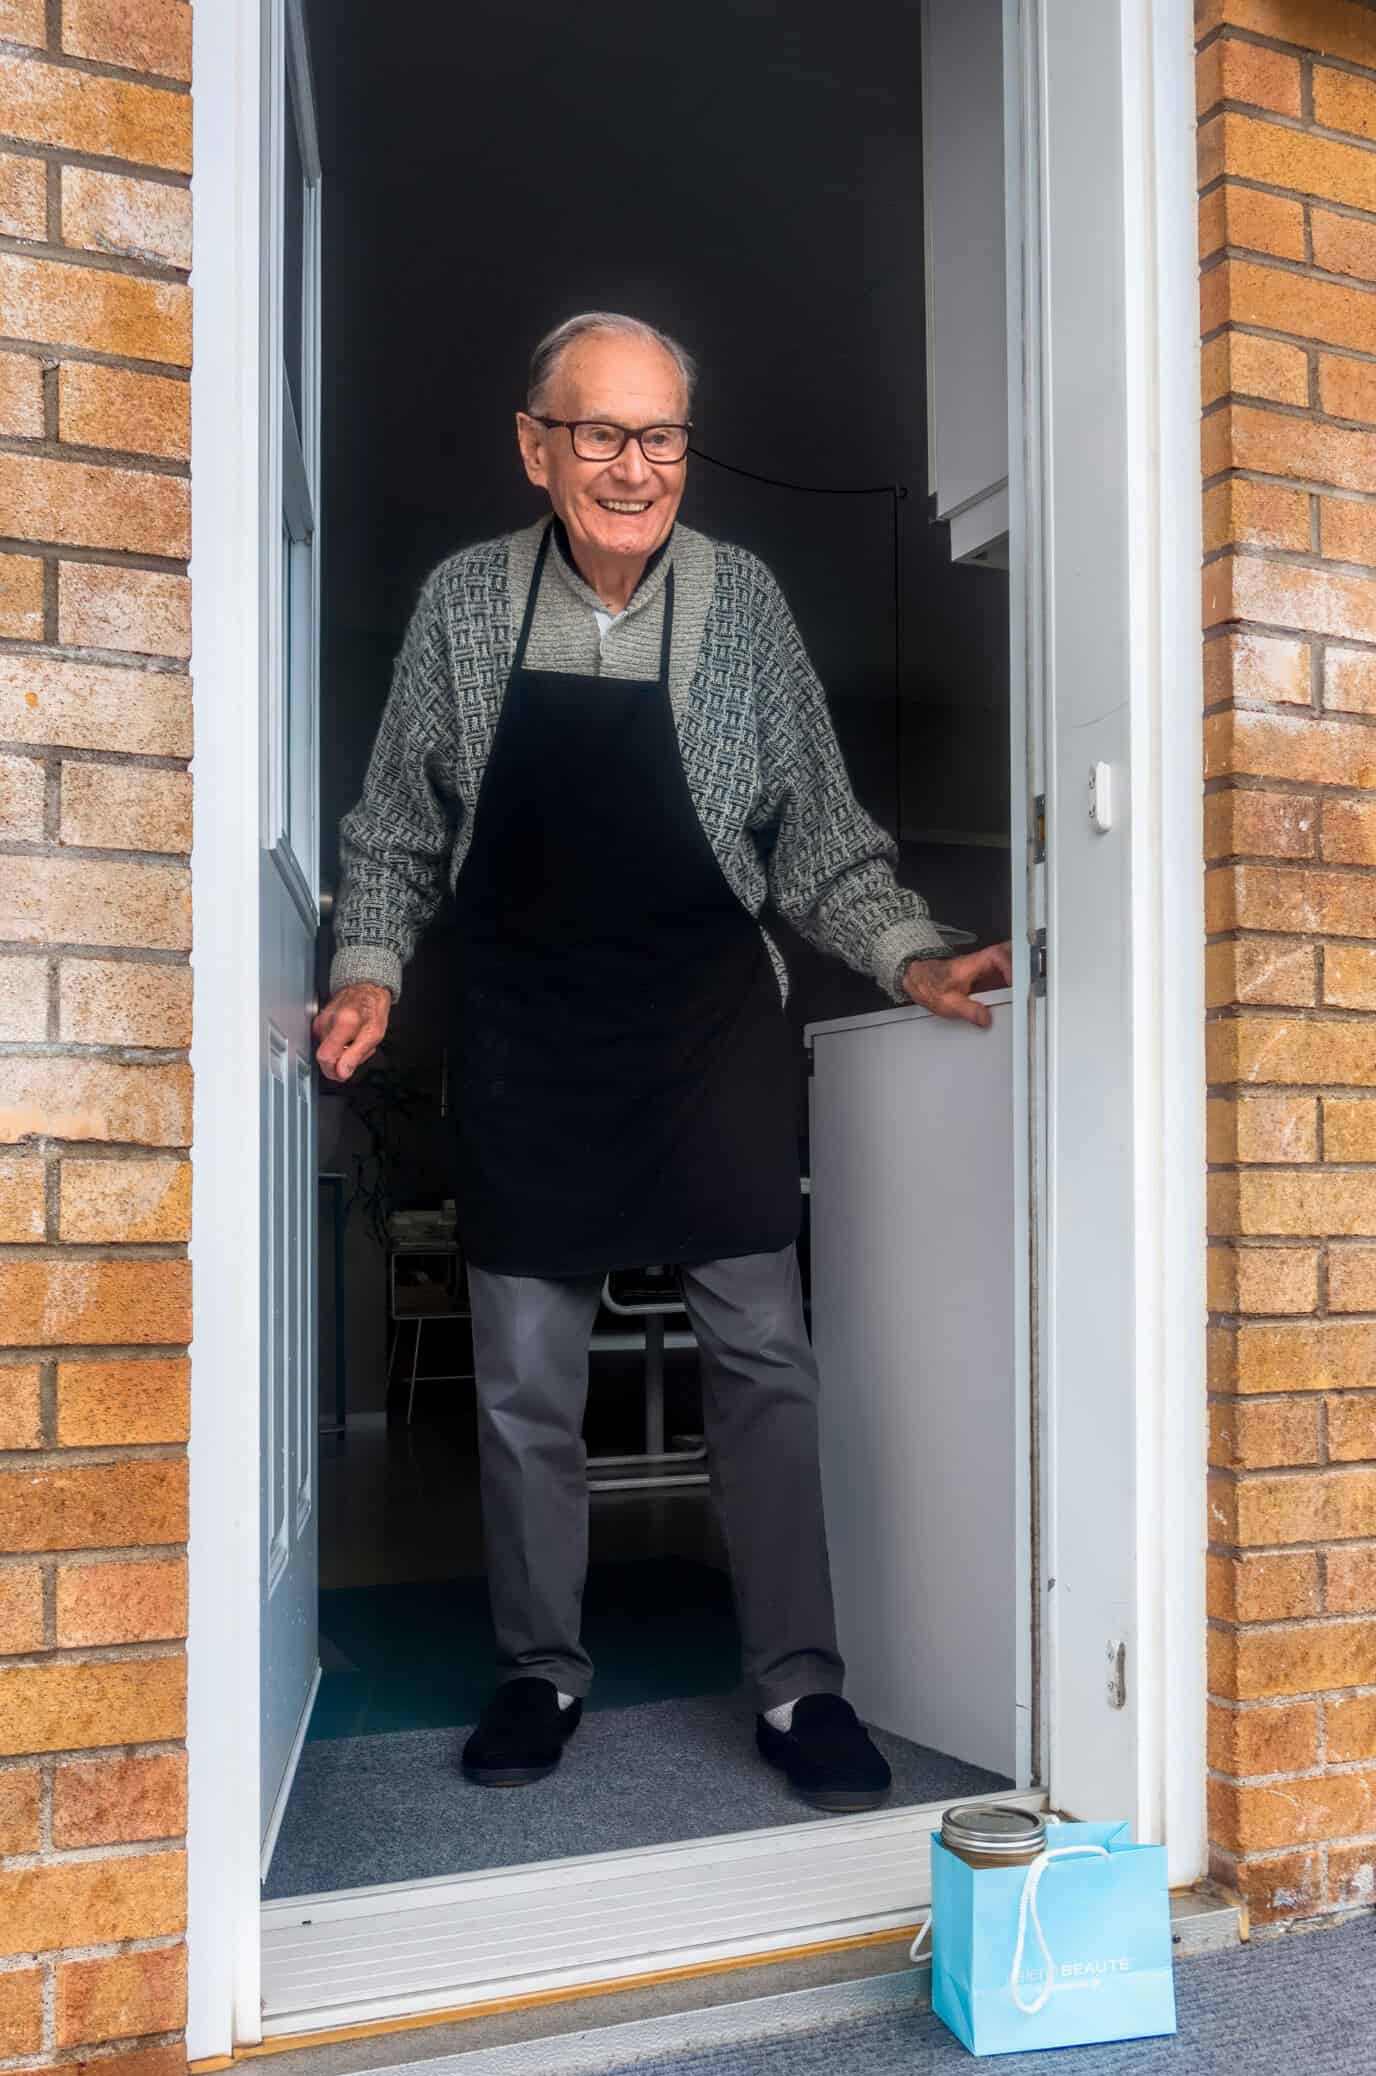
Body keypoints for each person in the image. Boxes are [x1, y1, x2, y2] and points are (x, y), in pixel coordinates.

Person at [316, 310, 1012, 1811]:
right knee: (521, 1383)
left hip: (703, 1032)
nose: (635, 469)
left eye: (663, 437)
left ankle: (796, 1688)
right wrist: (367, 971)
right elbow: (390, 834)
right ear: (536, 444)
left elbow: (818, 838)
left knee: (763, 1360)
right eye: (601, 434)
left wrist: (911, 951)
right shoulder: (459, 607)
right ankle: (540, 1668)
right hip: (529, 1038)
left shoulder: (743, 604)